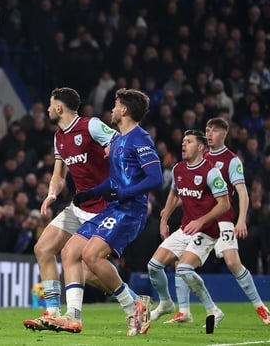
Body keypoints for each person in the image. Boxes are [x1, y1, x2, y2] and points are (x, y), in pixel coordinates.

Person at [56, 89, 163, 336]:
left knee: (92, 256)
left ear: (124, 110)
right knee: (70, 252)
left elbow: (155, 178)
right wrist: (93, 193)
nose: (112, 110)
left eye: (115, 106)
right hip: (113, 207)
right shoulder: (117, 141)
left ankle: (133, 306)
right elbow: (114, 181)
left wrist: (122, 194)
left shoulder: (141, 139)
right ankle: (73, 315)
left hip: (130, 211)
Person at [152, 118, 270, 324]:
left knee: (233, 262)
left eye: (214, 130)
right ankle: (184, 311)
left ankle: (260, 307)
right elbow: (188, 193)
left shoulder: (231, 160)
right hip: (197, 220)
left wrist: (241, 219)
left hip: (222, 220)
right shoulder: (196, 157)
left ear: (224, 134)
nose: (209, 133)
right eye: (207, 130)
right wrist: (167, 212)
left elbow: (241, 192)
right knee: (180, 263)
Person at [22, 87, 115, 332]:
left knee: (89, 267)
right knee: (43, 248)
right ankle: (53, 311)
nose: (48, 108)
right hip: (79, 205)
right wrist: (52, 193)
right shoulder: (59, 137)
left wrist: (112, 150)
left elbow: (121, 144)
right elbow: (59, 174)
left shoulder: (91, 126)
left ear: (60, 108)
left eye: (51, 104)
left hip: (103, 207)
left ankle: (132, 300)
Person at [145, 129, 230, 329]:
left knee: (183, 268)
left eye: (189, 141)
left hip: (207, 231)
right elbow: (174, 194)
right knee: (153, 266)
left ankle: (213, 310)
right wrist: (164, 219)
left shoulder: (211, 172)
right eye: (183, 141)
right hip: (186, 228)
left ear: (200, 147)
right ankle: (166, 303)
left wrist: (201, 221)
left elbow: (224, 204)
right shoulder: (178, 169)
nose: (183, 144)